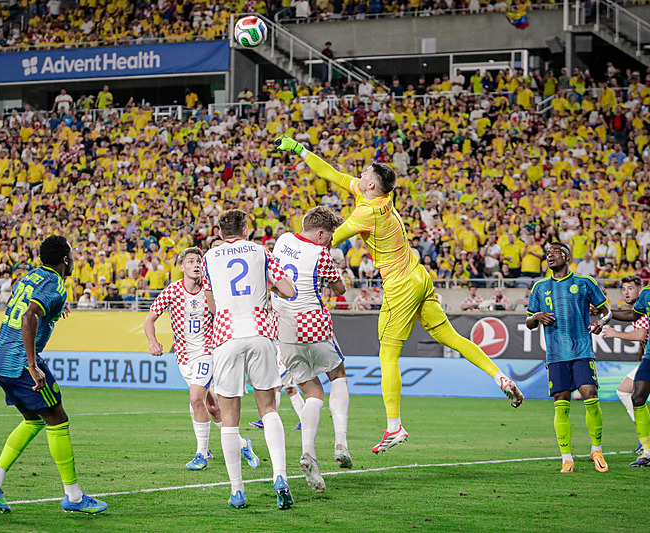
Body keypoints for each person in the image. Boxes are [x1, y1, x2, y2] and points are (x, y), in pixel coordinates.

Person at [274, 134, 523, 456]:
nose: (358, 177)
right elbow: (332, 174)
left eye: (364, 174)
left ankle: (395, 426)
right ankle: (499, 376)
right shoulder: (374, 199)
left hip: (400, 283)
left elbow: (326, 238)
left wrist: (292, 245)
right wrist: (300, 150)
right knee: (449, 334)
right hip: (420, 275)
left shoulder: (368, 213)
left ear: (373, 186)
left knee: (387, 355)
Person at [0, 235, 107, 514]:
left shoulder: (31, 277)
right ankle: (74, 498)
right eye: (71, 255)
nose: (73, 260)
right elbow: (29, 316)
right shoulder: (55, 284)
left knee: (34, 420)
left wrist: (57, 307)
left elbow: (26, 306)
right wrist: (32, 365)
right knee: (58, 419)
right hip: (19, 361)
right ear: (65, 259)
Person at [202, 209, 296, 509]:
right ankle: (280, 476)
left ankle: (237, 490)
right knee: (268, 408)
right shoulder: (260, 251)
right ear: (246, 230)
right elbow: (289, 290)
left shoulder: (208, 258)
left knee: (230, 419)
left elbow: (212, 304)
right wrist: (269, 285)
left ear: (219, 232)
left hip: (226, 335)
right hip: (260, 332)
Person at [144, 247, 259, 471]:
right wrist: (153, 342)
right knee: (213, 406)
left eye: (198, 261)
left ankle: (201, 454)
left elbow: (225, 316)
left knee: (196, 398)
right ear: (182, 267)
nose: (196, 264)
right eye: (190, 261)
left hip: (207, 353)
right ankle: (243, 444)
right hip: (184, 357)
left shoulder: (211, 293)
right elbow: (149, 319)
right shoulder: (172, 291)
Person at [270, 206, 352, 493]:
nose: (330, 242)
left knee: (313, 392)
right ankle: (340, 441)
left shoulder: (282, 241)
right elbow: (340, 289)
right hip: (312, 323)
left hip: (284, 329)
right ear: (319, 233)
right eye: (329, 236)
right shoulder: (321, 254)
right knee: (338, 375)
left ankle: (308, 452)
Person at [526, 242, 612, 474]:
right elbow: (529, 323)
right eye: (547, 254)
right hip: (555, 355)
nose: (549, 257)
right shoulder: (539, 287)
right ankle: (567, 458)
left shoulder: (585, 283)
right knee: (561, 404)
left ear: (567, 256)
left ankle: (596, 450)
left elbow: (607, 311)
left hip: (581, 351)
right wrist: (537, 316)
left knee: (590, 396)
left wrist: (599, 323)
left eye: (554, 253)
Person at [602, 275, 648, 455]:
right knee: (624, 390)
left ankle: (645, 434)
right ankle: (643, 433)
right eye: (624, 289)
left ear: (639, 289)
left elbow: (641, 335)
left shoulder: (643, 309)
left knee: (628, 392)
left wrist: (615, 333)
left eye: (630, 288)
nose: (626, 292)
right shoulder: (638, 309)